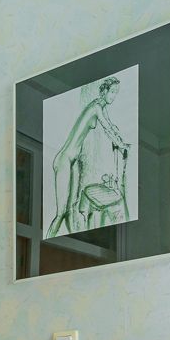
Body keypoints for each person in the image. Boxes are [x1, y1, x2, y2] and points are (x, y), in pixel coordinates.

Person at [46, 76, 130, 236]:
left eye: (116, 93)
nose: (113, 96)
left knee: (73, 208)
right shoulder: (96, 107)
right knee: (61, 212)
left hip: (73, 162)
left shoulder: (101, 107)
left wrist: (121, 141)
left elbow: (111, 126)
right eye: (112, 92)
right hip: (64, 160)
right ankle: (47, 241)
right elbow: (107, 128)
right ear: (104, 91)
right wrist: (121, 145)